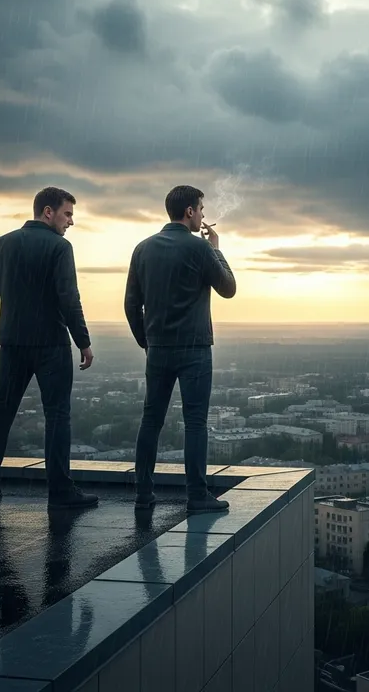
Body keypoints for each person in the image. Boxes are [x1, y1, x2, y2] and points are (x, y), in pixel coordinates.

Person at [0, 187, 99, 510]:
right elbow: (69, 298)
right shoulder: (60, 247)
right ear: (48, 212)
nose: (71, 221)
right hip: (51, 345)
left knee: (1, 413)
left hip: (12, 344)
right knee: (57, 415)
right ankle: (60, 491)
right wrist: (83, 341)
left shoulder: (2, 244)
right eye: (67, 214)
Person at [125, 184, 237, 511]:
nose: (202, 215)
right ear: (190, 211)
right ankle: (197, 496)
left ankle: (143, 493)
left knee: (151, 420)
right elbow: (228, 288)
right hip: (195, 349)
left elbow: (131, 305)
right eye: (201, 209)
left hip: (158, 348)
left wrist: (146, 342)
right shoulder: (200, 249)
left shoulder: (142, 249)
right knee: (195, 423)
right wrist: (216, 249)